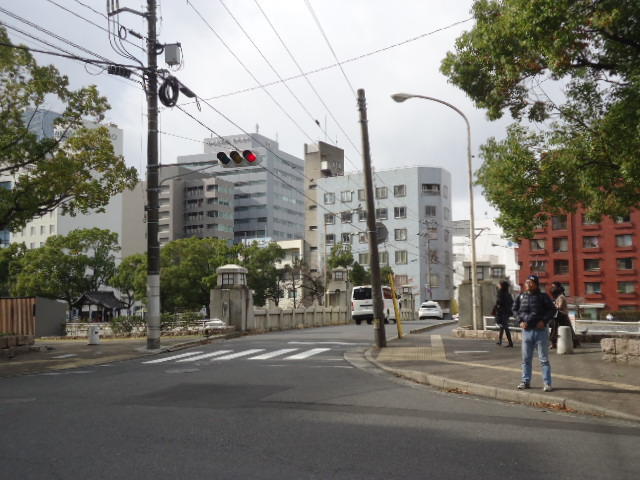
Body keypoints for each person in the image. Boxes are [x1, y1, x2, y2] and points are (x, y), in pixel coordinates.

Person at [513, 274, 556, 392]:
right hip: (526, 331)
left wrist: (544, 321)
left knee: (544, 359)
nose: (527, 284)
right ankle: (525, 381)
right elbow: (515, 310)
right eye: (527, 282)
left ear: (536, 284)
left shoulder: (543, 297)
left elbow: (552, 310)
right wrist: (520, 321)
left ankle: (547, 383)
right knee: (526, 359)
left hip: (540, 331)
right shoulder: (521, 296)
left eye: (530, 282)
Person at [549, 281, 580, 349]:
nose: (552, 288)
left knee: (557, 329)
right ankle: (573, 343)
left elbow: (560, 306)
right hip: (561, 315)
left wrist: (553, 306)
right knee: (564, 330)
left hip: (561, 315)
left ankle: (555, 343)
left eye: (553, 287)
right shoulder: (559, 296)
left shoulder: (561, 297)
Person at [493, 280, 514, 347]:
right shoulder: (508, 294)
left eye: (499, 285)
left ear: (502, 286)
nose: (498, 286)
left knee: (505, 326)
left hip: (502, 312)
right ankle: (500, 340)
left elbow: (498, 302)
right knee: (502, 326)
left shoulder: (500, 293)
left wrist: (495, 309)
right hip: (507, 312)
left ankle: (510, 342)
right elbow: (512, 302)